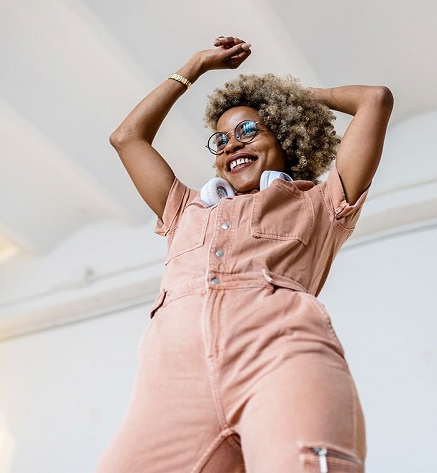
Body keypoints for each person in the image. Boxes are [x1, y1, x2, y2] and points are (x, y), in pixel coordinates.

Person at [99, 36, 393, 472]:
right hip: (173, 384)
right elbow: (126, 138)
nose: (231, 145)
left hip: (283, 363)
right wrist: (195, 67)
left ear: (284, 134)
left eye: (249, 131)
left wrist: (283, 99)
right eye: (220, 140)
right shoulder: (183, 209)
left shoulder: (321, 203)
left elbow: (375, 99)